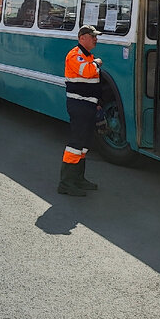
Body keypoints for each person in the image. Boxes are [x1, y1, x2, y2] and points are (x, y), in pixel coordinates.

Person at [59, 25, 102, 197]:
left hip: (88, 105)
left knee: (83, 145)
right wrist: (97, 63)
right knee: (75, 145)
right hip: (79, 105)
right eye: (93, 36)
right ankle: (66, 183)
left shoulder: (87, 56)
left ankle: (78, 179)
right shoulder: (75, 55)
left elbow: (92, 83)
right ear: (82, 37)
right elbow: (88, 72)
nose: (95, 39)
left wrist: (97, 103)